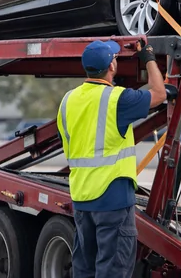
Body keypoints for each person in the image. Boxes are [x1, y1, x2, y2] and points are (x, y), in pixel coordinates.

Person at [56, 39, 167, 278]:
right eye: (115, 58)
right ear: (111, 67)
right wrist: (148, 57)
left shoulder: (67, 100)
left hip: (81, 196)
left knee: (84, 270)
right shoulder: (117, 99)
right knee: (113, 270)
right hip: (112, 199)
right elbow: (159, 93)